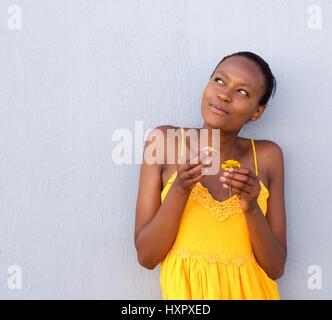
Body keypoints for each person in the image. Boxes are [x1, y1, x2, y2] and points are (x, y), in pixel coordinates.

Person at [134, 51, 287, 299]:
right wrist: (181, 187)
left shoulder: (268, 157)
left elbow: (276, 267)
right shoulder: (163, 141)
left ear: (257, 112)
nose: (224, 95)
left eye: (242, 92)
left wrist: (251, 207)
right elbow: (147, 256)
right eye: (219, 80)